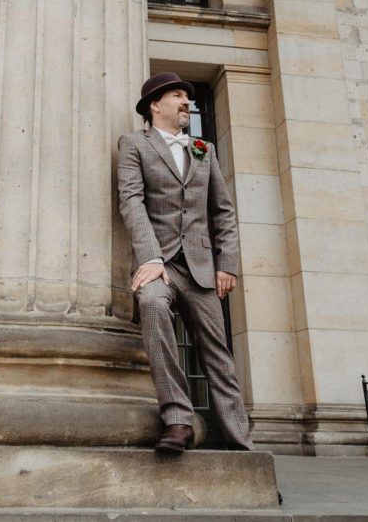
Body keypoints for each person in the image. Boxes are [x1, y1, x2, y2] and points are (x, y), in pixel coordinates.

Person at [117, 72, 253, 454]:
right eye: (177, 96)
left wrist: (227, 264)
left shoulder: (203, 148)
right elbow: (131, 201)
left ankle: (242, 442)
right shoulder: (133, 144)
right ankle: (178, 419)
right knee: (152, 303)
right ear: (154, 105)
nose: (185, 102)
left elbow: (223, 212)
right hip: (158, 263)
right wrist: (151, 257)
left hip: (201, 268)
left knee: (218, 355)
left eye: (187, 97)